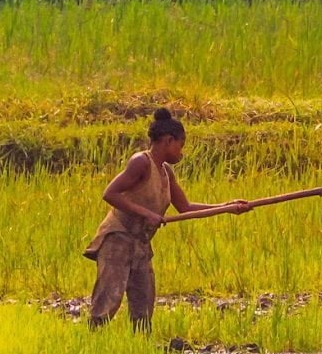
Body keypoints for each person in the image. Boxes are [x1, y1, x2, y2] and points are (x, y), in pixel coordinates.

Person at [84, 109, 248, 330]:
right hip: (118, 238)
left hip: (140, 243)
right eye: (181, 145)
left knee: (143, 305)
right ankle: (92, 343)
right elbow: (110, 193)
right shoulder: (140, 162)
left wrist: (226, 207)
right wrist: (147, 214)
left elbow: (185, 207)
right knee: (108, 300)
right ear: (168, 140)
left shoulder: (166, 172)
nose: (181, 152)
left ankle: (140, 349)